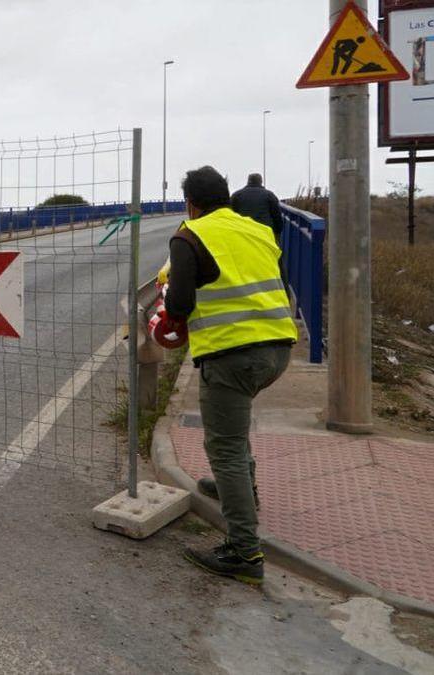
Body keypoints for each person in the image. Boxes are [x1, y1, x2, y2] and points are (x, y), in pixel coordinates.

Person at [166, 166, 297, 586]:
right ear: (228, 197)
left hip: (231, 356)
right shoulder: (256, 230)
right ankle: (241, 489)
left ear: (191, 203)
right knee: (234, 431)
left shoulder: (190, 234)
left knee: (223, 447)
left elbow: (180, 305)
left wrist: (168, 296)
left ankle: (244, 551)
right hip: (278, 349)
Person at [230, 173, 283, 240]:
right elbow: (277, 216)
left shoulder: (236, 195)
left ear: (248, 181)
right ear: (261, 182)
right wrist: (277, 232)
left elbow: (230, 213)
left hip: (243, 232)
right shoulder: (269, 195)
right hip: (264, 233)